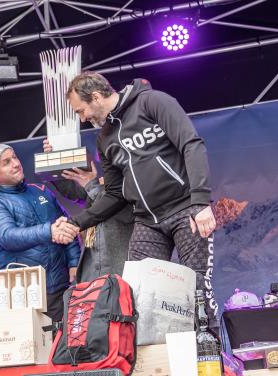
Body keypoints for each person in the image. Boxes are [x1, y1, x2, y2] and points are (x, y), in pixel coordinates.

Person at [57, 71, 218, 322]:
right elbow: (114, 194)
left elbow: (191, 144)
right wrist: (77, 222)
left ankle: (209, 357)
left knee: (197, 291)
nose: (82, 118)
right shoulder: (104, 139)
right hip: (146, 221)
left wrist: (200, 202)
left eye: (80, 111)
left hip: (186, 209)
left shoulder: (153, 102)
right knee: (140, 296)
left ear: (96, 97)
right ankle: (154, 360)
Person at [0, 143, 80, 322]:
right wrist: (49, 231)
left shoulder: (42, 190)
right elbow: (7, 237)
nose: (15, 163)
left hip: (61, 286)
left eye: (14, 157)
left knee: (64, 344)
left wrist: (74, 263)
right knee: (34, 347)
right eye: (6, 162)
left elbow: (66, 226)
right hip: (26, 292)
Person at [42, 140, 134, 282]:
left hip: (118, 269)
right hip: (96, 267)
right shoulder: (97, 182)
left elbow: (112, 201)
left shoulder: (128, 177)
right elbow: (75, 192)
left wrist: (91, 184)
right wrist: (54, 160)